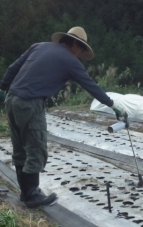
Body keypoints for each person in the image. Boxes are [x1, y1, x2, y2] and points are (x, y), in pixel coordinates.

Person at [0, 26, 127, 208]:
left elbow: (13, 68)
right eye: (81, 49)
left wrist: (3, 88)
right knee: (37, 149)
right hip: (30, 104)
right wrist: (113, 105)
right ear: (75, 43)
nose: (80, 54)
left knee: (20, 149)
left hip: (12, 100)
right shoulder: (70, 61)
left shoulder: (39, 46)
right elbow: (90, 86)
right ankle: (31, 195)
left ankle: (25, 193)